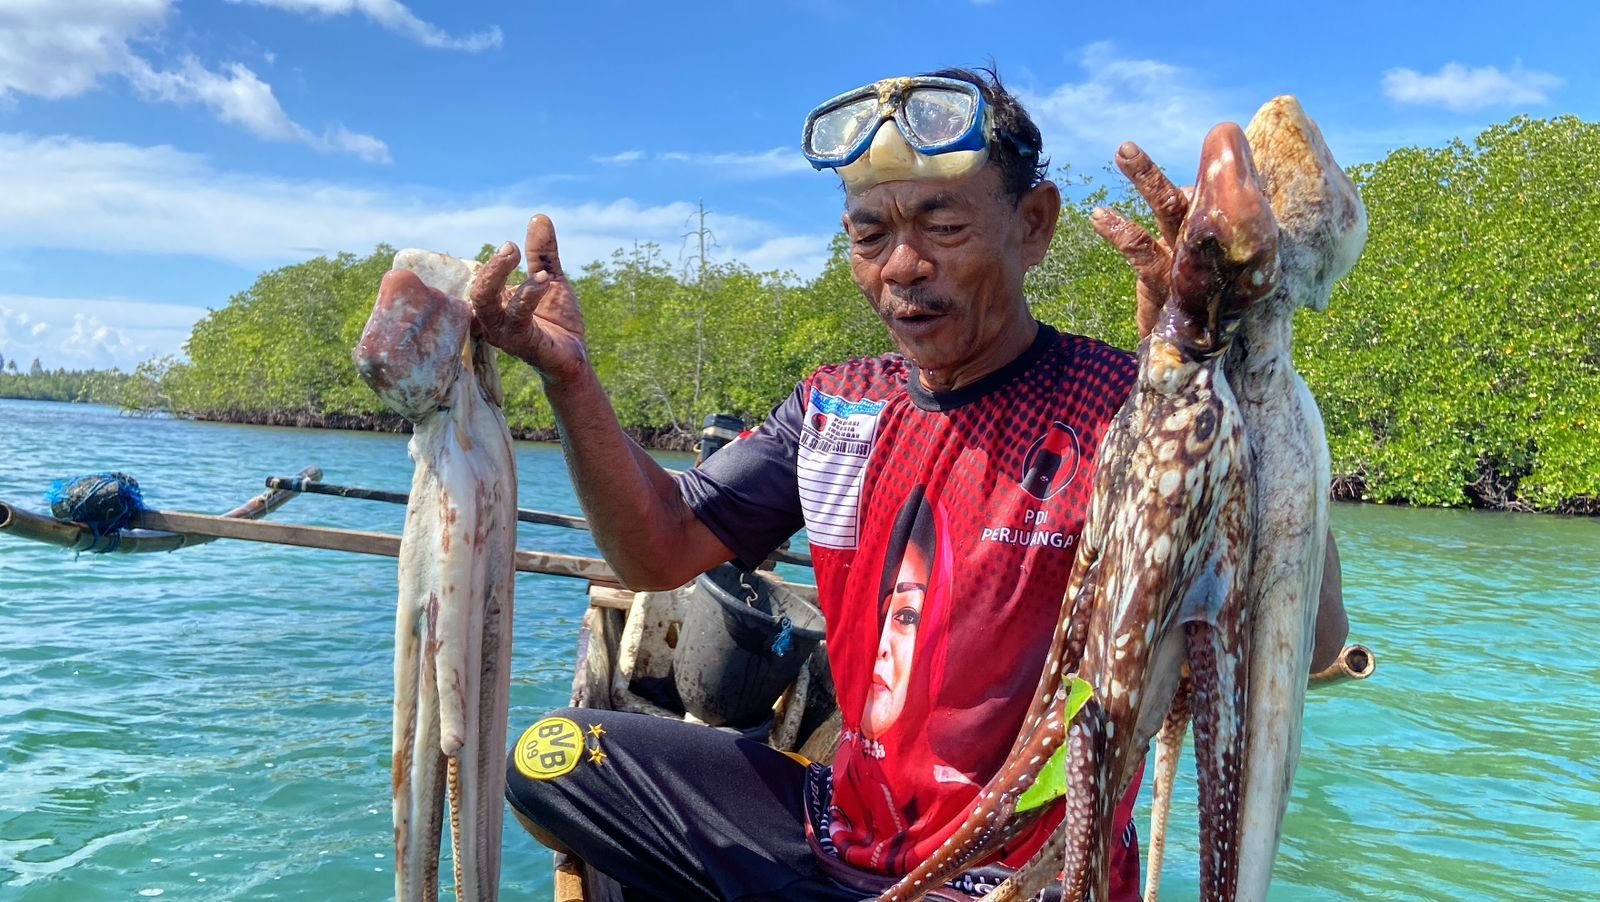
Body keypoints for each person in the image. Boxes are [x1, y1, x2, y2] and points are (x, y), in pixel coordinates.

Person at [474, 68, 1350, 900]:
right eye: (869, 236)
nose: (901, 266)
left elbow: (1310, 646)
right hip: (839, 828)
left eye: (943, 226)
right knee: (554, 759)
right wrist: (570, 379)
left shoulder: (1128, 415)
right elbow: (658, 547)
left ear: (1034, 225)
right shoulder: (834, 406)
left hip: (1024, 875)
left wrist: (1237, 368)